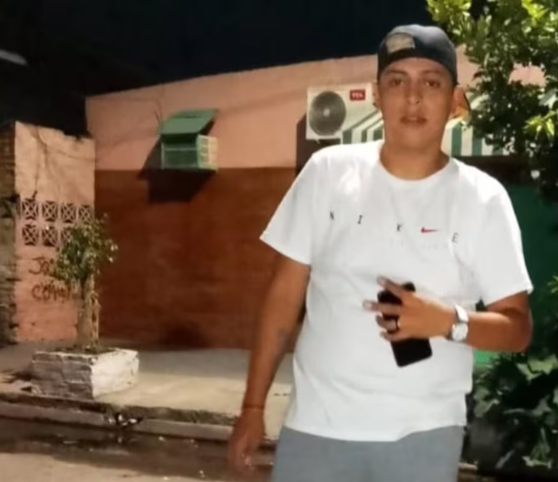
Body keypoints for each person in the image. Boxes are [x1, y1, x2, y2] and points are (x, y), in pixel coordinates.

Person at [227, 24, 534, 482]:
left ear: (455, 100)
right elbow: (282, 298)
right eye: (397, 81)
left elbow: (518, 328)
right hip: (316, 429)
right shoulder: (327, 173)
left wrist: (448, 321)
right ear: (376, 96)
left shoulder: (482, 198)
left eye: (431, 82)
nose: (413, 97)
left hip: (424, 436)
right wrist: (253, 407)